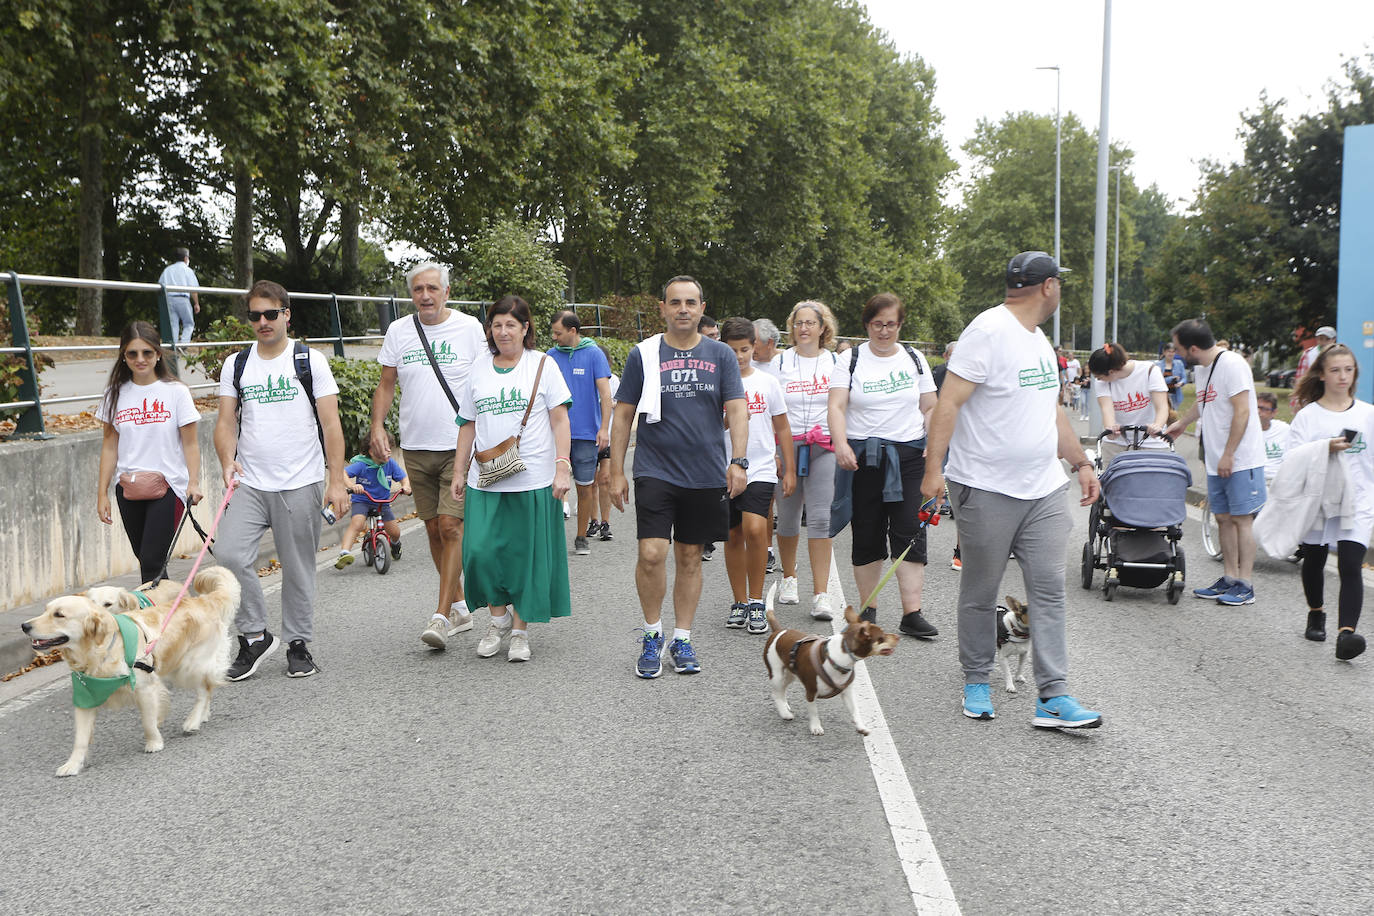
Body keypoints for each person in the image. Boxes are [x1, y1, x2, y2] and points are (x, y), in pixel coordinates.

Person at [920, 251, 1103, 729]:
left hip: (1043, 489)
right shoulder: (988, 331)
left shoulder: (1039, 339)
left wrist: (1080, 461)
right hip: (985, 488)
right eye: (1059, 283)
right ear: (1048, 287)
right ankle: (977, 679)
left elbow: (1053, 413)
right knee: (982, 591)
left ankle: (1054, 696)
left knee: (1049, 591)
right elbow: (948, 405)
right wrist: (933, 472)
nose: (1060, 290)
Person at [608, 275, 747, 679]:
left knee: (689, 556)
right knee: (652, 553)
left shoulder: (721, 355)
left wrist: (738, 460)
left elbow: (737, 409)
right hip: (655, 469)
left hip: (705, 473)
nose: (683, 309)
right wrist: (616, 470)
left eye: (690, 302)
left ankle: (682, 638)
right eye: (675, 302)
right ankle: (652, 634)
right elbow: (622, 414)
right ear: (664, 309)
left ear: (702, 308)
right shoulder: (644, 354)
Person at [214, 280, 348, 680]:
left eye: (271, 314)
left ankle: (297, 643)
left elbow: (331, 424)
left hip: (299, 480)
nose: (262, 322)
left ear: (287, 315)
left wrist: (336, 479)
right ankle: (255, 635)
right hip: (251, 481)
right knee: (230, 555)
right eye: (255, 315)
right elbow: (224, 422)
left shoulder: (309, 361)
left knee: (297, 566)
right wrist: (226, 460)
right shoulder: (236, 364)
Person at [451, 295, 573, 663]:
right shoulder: (478, 368)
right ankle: (498, 619)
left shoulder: (543, 365)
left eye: (511, 325)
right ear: (489, 329)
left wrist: (562, 465)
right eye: (497, 325)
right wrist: (458, 471)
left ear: (525, 328)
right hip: (485, 477)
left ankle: (519, 632)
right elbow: (467, 424)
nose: (503, 332)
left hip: (533, 476)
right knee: (480, 553)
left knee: (526, 557)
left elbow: (559, 419)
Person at [370, 262, 486, 651]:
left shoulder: (470, 329)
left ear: (447, 292)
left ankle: (440, 615)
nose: (425, 295)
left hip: (459, 446)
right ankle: (459, 604)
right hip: (416, 447)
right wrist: (377, 427)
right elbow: (386, 385)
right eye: (418, 289)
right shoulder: (399, 331)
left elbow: (487, 380)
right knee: (434, 529)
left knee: (452, 528)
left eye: (432, 289)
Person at [828, 292, 939, 640]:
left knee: (909, 529)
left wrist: (934, 448)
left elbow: (931, 407)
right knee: (867, 531)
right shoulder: (850, 359)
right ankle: (868, 609)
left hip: (909, 457)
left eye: (891, 324)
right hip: (864, 457)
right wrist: (841, 444)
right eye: (877, 324)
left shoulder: (914, 358)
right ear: (867, 325)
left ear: (900, 324)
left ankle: (912, 613)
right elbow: (836, 407)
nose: (884, 331)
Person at [1164, 318, 1267, 606]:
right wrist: (1182, 423)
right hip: (1216, 458)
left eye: (1178, 347)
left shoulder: (1232, 365)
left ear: (1192, 347)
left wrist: (1229, 453)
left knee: (1242, 520)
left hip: (1240, 459)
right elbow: (1204, 401)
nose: (1176, 351)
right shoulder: (1202, 367)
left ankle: (1245, 585)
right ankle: (1230, 577)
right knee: (1222, 519)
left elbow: (1243, 412)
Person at [96, 321, 203, 585]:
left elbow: (190, 443)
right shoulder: (114, 394)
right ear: (124, 356)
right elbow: (109, 446)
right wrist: (102, 493)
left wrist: (193, 482)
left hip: (168, 487)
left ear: (158, 354)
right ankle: (169, 617)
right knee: (148, 562)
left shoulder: (176, 392)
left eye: (147, 352)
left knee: (152, 559)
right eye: (132, 353)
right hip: (129, 487)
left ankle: (158, 620)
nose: (140, 359)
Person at [1287, 344, 1371, 660]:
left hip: (1358, 500)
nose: (1342, 376)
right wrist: (1325, 448)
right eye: (1335, 370)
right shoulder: (1308, 417)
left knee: (1351, 563)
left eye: (1348, 370)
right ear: (1322, 374)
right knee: (1315, 558)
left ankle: (1345, 635)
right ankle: (1316, 612)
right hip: (1319, 500)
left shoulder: (1368, 414)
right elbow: (1291, 459)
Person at [719, 317, 795, 634]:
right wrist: (730, 418)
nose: (739, 356)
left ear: (755, 346)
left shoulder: (767, 383)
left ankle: (756, 602)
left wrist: (789, 468)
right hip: (722, 469)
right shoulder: (715, 384)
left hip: (761, 467)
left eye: (745, 349)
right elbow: (709, 427)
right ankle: (739, 602)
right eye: (732, 350)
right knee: (733, 534)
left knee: (755, 527)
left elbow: (782, 426)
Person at [772, 300, 841, 619]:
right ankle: (789, 578)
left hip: (823, 446)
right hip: (787, 445)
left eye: (810, 323)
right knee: (786, 518)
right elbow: (771, 409)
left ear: (823, 327)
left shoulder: (836, 362)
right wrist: (774, 451)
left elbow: (844, 406)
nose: (803, 328)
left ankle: (821, 594)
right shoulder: (780, 361)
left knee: (820, 519)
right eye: (798, 323)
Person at [548, 310, 612, 556]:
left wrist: (604, 428)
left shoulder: (594, 354)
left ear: (572, 331)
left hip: (586, 435)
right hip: (554, 434)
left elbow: (605, 394)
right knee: (553, 488)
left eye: (558, 332)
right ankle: (551, 538)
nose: (554, 337)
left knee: (585, 487)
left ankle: (581, 536)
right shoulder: (550, 356)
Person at [334, 430, 411, 569]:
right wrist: (352, 485)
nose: (388, 451)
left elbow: (403, 477)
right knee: (357, 524)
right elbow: (343, 473)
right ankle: (344, 553)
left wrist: (405, 486)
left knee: (395, 532)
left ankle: (394, 544)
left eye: (389, 448)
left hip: (382, 503)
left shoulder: (390, 464)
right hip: (362, 500)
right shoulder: (362, 464)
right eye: (384, 449)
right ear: (371, 451)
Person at [1088, 342, 1170, 467]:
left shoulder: (1150, 370)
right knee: (1109, 480)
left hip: (1152, 443)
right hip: (1118, 444)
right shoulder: (1103, 382)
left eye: (1099, 377)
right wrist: (1111, 429)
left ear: (1111, 372)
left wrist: (1157, 426)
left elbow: (1162, 406)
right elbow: (1106, 409)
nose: (1098, 380)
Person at [593, 343, 620, 542]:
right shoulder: (584, 379)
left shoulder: (614, 380)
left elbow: (618, 404)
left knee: (605, 480)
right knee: (590, 482)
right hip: (587, 437)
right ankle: (592, 520)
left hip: (608, 435)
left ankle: (605, 522)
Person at [157, 248, 200, 346]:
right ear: (185, 258)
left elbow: (160, 285)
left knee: (173, 325)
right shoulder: (187, 270)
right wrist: (196, 303)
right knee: (189, 324)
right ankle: (184, 344)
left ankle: (173, 347)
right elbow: (193, 288)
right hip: (183, 298)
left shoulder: (167, 270)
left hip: (169, 299)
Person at [1256, 391, 1290, 484]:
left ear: (1274, 412)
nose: (1258, 412)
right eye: (1256, 407)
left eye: (1263, 409)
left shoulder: (1284, 429)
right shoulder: (1246, 431)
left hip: (1279, 480)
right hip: (1257, 480)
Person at [1158, 343, 1187, 410]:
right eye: (1169, 351)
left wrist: (1181, 383)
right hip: (1162, 395)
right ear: (1164, 352)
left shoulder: (1179, 363)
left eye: (1173, 352)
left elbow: (1184, 378)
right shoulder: (1157, 365)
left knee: (1173, 417)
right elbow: (1158, 381)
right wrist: (1171, 378)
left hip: (1175, 396)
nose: (1171, 354)